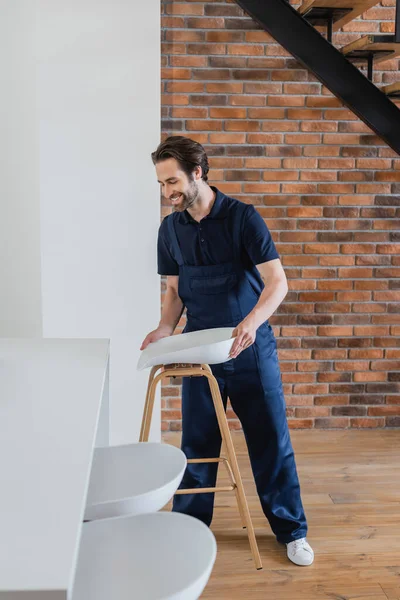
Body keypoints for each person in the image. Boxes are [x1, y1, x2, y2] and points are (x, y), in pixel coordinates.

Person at [141, 135, 314, 567]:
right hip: (199, 350)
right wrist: (165, 327)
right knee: (196, 444)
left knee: (270, 440)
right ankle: (189, 528)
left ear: (197, 172)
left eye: (173, 181)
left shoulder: (243, 218)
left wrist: (251, 325)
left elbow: (278, 282)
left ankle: (292, 532)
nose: (168, 193)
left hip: (250, 348)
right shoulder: (170, 228)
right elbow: (175, 289)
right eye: (162, 184)